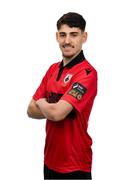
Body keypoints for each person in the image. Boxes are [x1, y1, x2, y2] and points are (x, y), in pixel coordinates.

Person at [27, 12, 97, 180]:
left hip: (75, 164)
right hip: (50, 159)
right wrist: (53, 107)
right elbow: (30, 110)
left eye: (74, 35)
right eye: (63, 35)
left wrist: (43, 103)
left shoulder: (87, 73)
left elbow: (57, 114)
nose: (67, 41)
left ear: (84, 37)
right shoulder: (52, 69)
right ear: (57, 36)